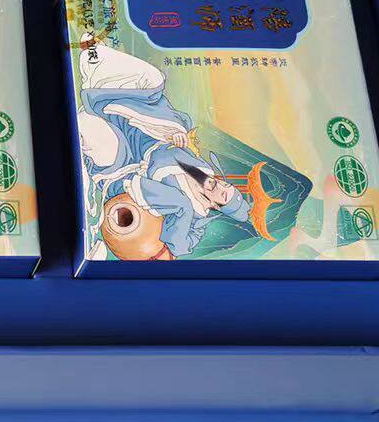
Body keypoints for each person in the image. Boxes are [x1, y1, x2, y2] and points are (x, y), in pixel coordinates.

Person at [77, 36, 270, 259]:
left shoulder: (195, 217)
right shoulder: (201, 169)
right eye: (227, 186)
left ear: (217, 206)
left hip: (122, 169)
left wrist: (182, 209)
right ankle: (95, 59)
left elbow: (179, 248)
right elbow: (171, 148)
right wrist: (176, 136)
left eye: (224, 194)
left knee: (93, 130)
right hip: (142, 139)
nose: (221, 186)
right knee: (152, 80)